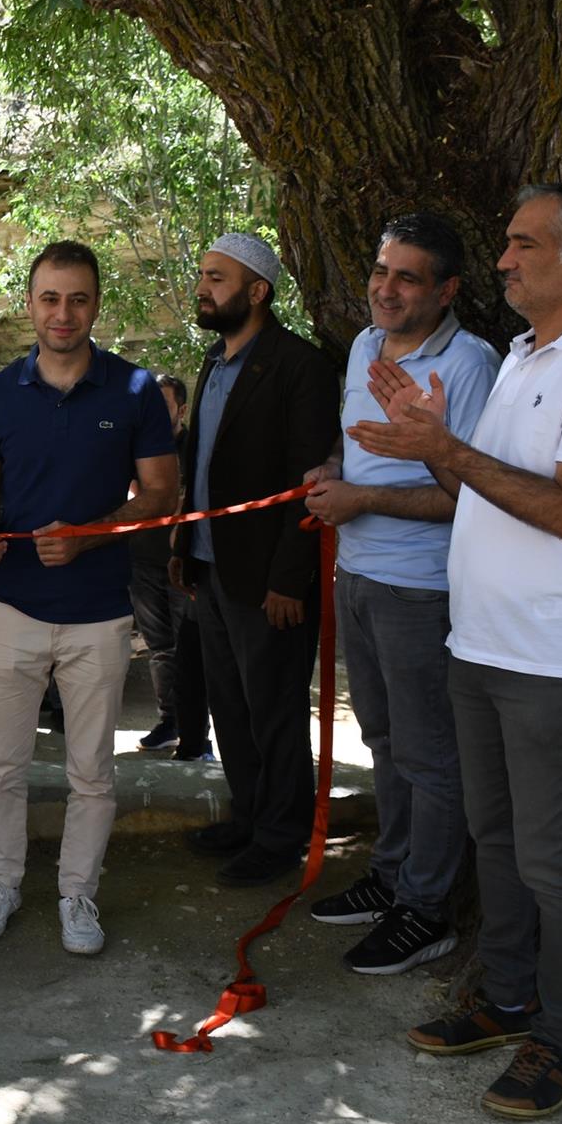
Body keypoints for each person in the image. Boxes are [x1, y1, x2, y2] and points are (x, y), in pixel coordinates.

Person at [351, 184, 562, 1119]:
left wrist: (445, 444)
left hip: (552, 661)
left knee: (552, 862)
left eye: (523, 243)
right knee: (496, 840)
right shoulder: (527, 354)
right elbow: (478, 486)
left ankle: (561, 1044)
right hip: (478, 644)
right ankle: (508, 998)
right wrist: (427, 441)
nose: (502, 260)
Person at [0, 242, 178, 955]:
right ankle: (1, 883)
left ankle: (76, 894)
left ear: (95, 303)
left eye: (77, 298)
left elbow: (160, 494)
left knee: (91, 770)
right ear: (28, 302)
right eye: (49, 298)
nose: (63, 313)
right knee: (2, 763)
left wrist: (87, 535)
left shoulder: (136, 388)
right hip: (12, 605)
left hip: (98, 612)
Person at [304, 213, 500, 975]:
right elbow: (354, 450)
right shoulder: (361, 344)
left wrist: (361, 499)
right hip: (354, 573)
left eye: (406, 277)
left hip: (420, 588)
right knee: (382, 742)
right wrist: (331, 475)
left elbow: (473, 495)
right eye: (380, 271)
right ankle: (390, 879)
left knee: (429, 756)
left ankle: (426, 910)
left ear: (446, 290)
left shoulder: (471, 365)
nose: (385, 289)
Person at [171, 233, 339, 887]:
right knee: (229, 707)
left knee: (272, 711)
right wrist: (183, 544)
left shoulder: (300, 366)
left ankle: (279, 835)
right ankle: (246, 816)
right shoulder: (213, 362)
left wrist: (287, 578)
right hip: (212, 568)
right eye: (203, 275)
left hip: (267, 578)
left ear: (256, 290)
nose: (202, 287)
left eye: (216, 277)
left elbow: (307, 481)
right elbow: (201, 466)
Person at [132, 373, 212, 759]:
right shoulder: (137, 444)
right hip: (142, 563)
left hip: (184, 563)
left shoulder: (195, 446)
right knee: (160, 649)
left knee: (190, 651)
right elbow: (136, 492)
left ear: (181, 409)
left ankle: (199, 735)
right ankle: (170, 722)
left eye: (162, 406)